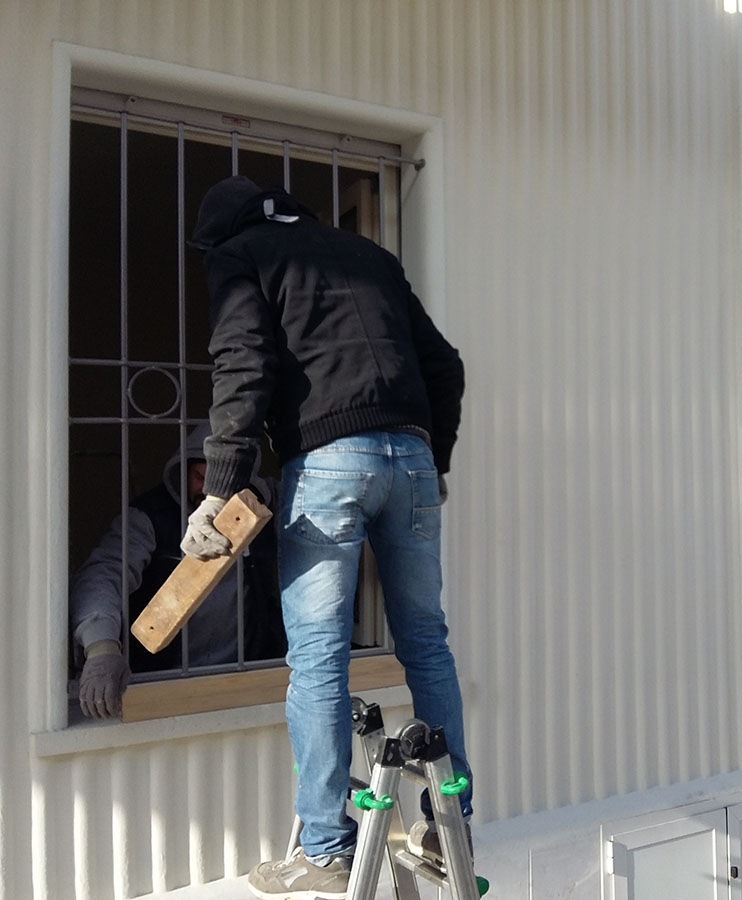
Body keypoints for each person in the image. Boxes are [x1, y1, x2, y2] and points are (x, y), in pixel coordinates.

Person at [184, 175, 470, 900]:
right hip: (409, 457)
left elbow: (243, 365)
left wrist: (219, 488)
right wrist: (432, 459)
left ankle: (326, 846)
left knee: (318, 658)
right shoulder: (369, 256)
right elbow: (445, 365)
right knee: (426, 641)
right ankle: (449, 825)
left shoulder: (241, 256)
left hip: (329, 462)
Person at [70, 423, 284, 719]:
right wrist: (101, 648)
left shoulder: (260, 511)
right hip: (162, 682)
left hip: (243, 681)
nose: (208, 492)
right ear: (182, 472)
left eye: (222, 482)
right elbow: (104, 575)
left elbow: (308, 498)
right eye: (199, 477)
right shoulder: (148, 518)